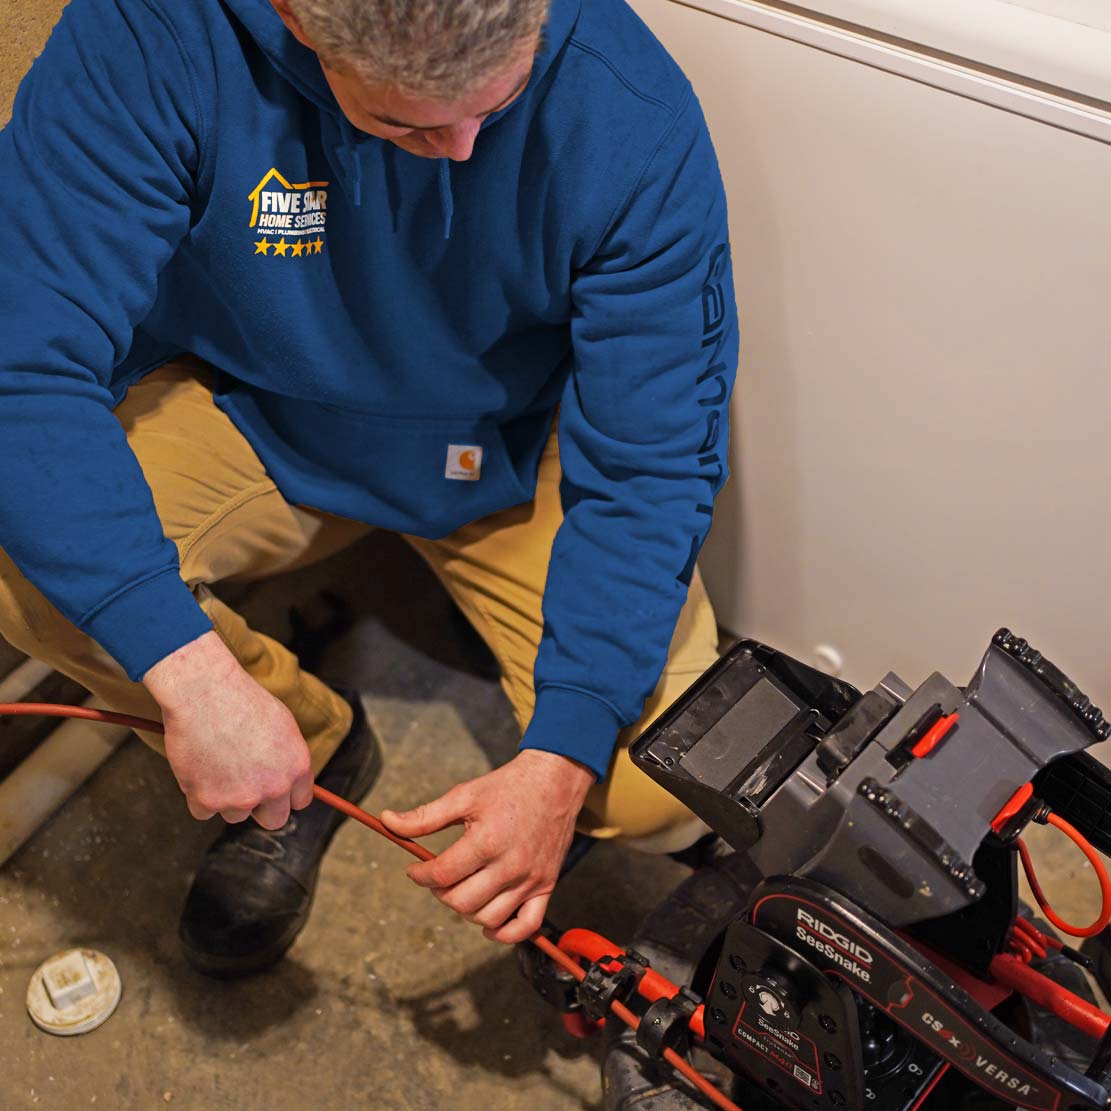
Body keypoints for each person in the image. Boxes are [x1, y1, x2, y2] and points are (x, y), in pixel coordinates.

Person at [0, 0, 738, 976]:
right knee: (27, 579)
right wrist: (191, 674)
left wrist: (563, 755)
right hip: (261, 408)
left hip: (504, 445)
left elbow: (654, 458)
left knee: (660, 781)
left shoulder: (626, 105)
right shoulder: (150, 35)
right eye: (407, 124)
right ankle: (306, 747)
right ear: (295, 20)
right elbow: (19, 364)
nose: (466, 151)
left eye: (503, 101)